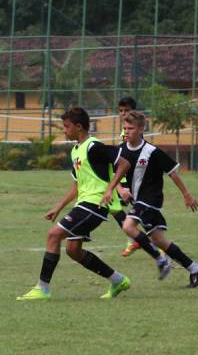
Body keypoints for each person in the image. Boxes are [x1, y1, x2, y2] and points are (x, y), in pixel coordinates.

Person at [18, 107, 132, 301]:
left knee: (53, 235)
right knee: (73, 250)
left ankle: (42, 288)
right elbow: (76, 186)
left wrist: (109, 189)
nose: (64, 130)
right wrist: (58, 207)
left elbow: (124, 163)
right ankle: (118, 280)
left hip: (95, 205)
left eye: (67, 126)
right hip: (84, 204)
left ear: (79, 127)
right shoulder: (76, 150)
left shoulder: (93, 146)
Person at [118, 111, 198, 288]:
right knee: (159, 240)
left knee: (128, 226)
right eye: (125, 128)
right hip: (138, 201)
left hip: (151, 199)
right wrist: (121, 189)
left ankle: (161, 260)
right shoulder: (121, 150)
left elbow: (172, 173)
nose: (127, 132)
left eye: (131, 128)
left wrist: (187, 195)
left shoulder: (152, 152)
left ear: (142, 129)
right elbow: (113, 173)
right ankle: (195, 268)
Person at [114, 96, 163, 266]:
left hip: (133, 177)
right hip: (126, 175)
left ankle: (148, 239)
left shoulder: (132, 130)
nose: (122, 113)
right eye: (120, 111)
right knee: (118, 207)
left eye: (126, 111)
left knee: (140, 208)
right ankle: (135, 237)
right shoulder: (126, 130)